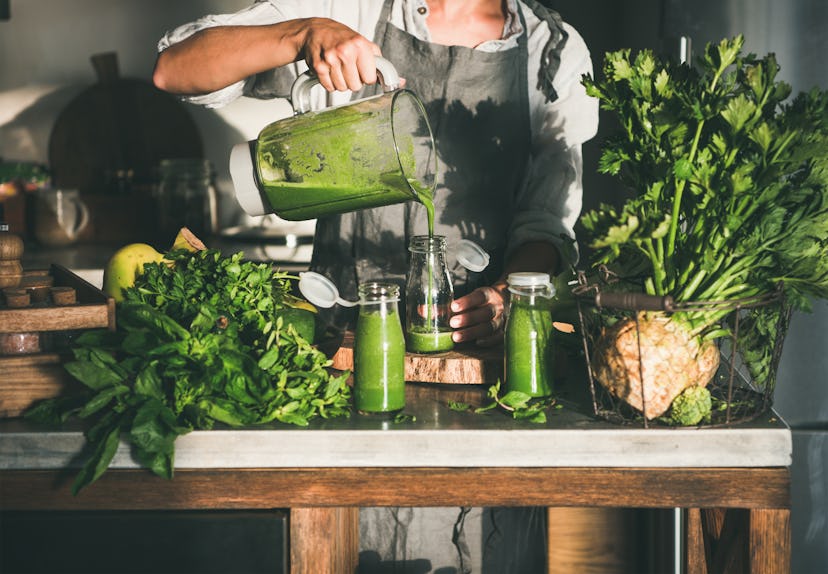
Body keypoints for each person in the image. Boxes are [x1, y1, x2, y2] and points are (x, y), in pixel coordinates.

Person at [154, 1, 598, 571]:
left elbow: (547, 222)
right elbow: (174, 68)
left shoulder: (552, 50)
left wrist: (508, 295)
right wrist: (303, 35)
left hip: (486, 382)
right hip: (342, 368)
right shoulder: (350, 9)